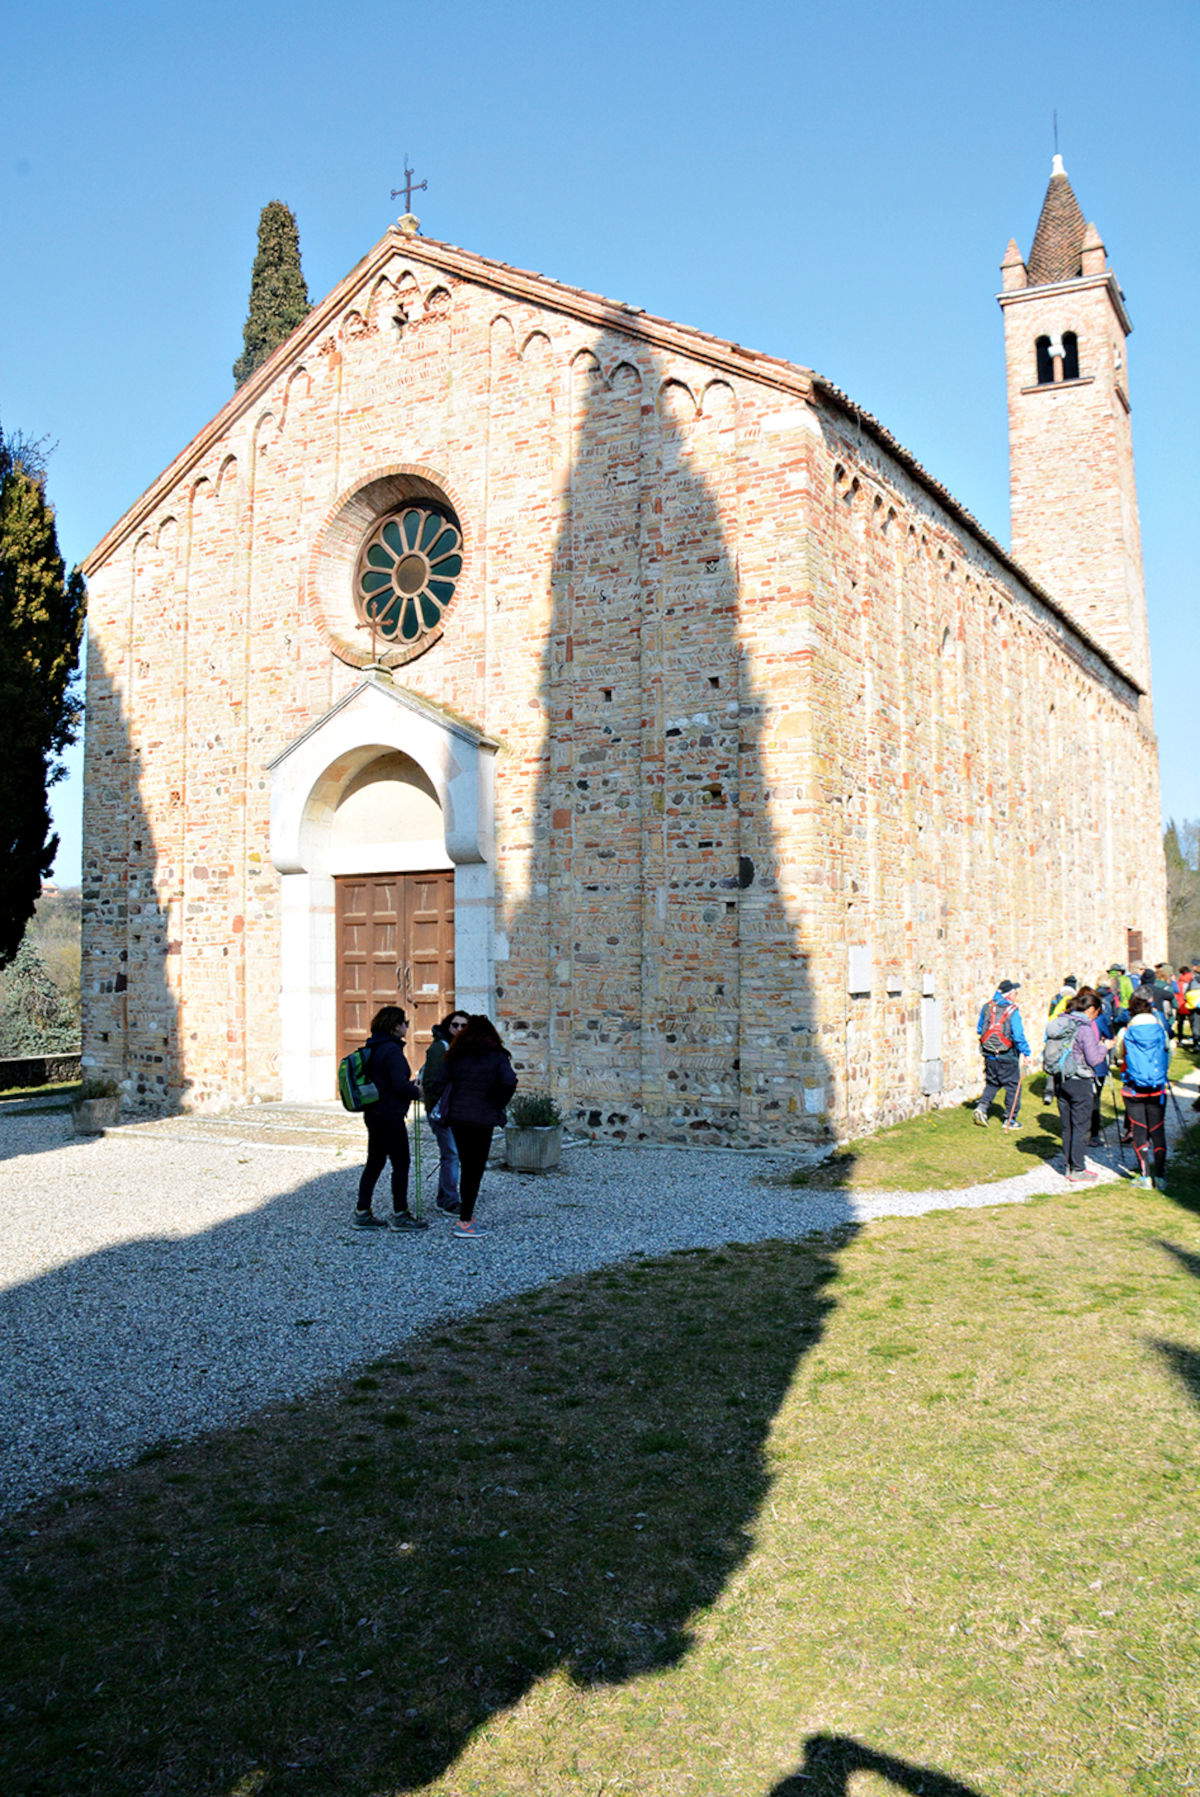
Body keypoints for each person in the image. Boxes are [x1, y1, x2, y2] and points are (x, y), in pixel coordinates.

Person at [441, 1014, 517, 1240]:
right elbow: (509, 1081)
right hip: (483, 1117)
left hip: (459, 1116)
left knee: (467, 1164)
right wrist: (497, 1102)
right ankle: (465, 1220)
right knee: (475, 1169)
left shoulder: (455, 1055)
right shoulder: (497, 1055)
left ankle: (465, 1216)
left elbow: (442, 1079)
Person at [354, 1005, 428, 1231]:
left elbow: (385, 1082)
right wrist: (418, 1091)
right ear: (396, 1026)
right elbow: (398, 1086)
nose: (407, 1027)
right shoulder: (392, 1051)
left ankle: (362, 1212)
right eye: (405, 1023)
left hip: (374, 1113)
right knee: (401, 1163)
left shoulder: (374, 1047)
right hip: (390, 1115)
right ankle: (400, 1214)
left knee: (375, 1162)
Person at [1110, 993, 1170, 1189]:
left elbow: (1119, 1054)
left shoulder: (1126, 1031)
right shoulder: (1160, 1030)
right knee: (1157, 1129)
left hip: (1133, 1089)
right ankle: (1160, 1176)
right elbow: (1168, 1053)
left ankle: (1144, 1176)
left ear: (1131, 1012)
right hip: (1157, 1088)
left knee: (1139, 1129)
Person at [1054, 987, 1110, 1184]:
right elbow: (1094, 1059)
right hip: (1080, 1080)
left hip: (1060, 1078)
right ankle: (1077, 1168)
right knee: (1080, 1126)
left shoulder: (1061, 1022)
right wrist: (1104, 1047)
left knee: (1067, 1126)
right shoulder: (1084, 1028)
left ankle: (1068, 1165)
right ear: (1091, 1009)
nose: (1096, 1017)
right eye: (1096, 1013)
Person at [420, 1009, 469, 1213]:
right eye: (455, 1025)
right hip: (443, 1111)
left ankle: (444, 1197)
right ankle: (449, 1201)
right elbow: (431, 1082)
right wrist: (436, 1109)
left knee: (451, 1154)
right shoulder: (440, 1048)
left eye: (463, 1026)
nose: (459, 1029)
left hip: (458, 1111)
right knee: (452, 1154)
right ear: (448, 1026)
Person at [973, 980, 1030, 1130]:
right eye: (1015, 993)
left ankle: (982, 1107)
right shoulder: (1012, 1010)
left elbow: (979, 1029)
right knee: (1013, 1086)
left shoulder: (987, 1006)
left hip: (989, 1053)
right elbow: (1018, 1035)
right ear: (1009, 994)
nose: (1016, 996)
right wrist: (1026, 1052)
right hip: (1007, 1054)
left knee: (993, 1082)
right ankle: (1009, 1120)